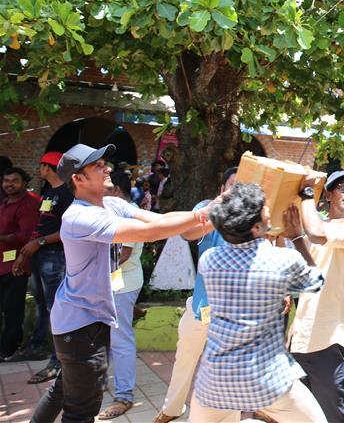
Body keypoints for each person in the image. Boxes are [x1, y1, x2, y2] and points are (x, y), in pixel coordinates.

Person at [31, 144, 217, 422]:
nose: (107, 168)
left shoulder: (112, 204)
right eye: (97, 166)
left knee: (64, 389)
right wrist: (208, 211)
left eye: (104, 163)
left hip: (84, 321)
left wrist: (213, 218)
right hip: (80, 325)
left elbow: (164, 221)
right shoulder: (80, 217)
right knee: (81, 410)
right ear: (78, 180)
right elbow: (150, 232)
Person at [189, 183, 326, 423]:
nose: (269, 210)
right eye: (264, 209)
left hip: (215, 377)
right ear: (255, 226)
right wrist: (296, 236)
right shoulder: (281, 260)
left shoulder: (209, 260)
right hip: (267, 378)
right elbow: (316, 282)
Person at [153, 167, 237, 423]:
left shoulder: (253, 216)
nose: (237, 192)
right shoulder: (207, 208)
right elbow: (187, 233)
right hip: (201, 305)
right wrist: (220, 208)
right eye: (232, 185)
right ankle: (172, 408)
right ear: (222, 189)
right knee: (184, 360)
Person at [287, 170, 344, 423]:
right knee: (305, 413)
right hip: (303, 336)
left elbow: (316, 233)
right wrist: (294, 237)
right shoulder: (323, 227)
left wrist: (304, 194)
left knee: (335, 416)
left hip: (328, 337)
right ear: (329, 194)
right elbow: (312, 273)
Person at [7, 153, 72, 384]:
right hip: (38, 255)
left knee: (56, 308)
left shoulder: (65, 193)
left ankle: (58, 361)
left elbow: (67, 229)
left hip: (54, 257)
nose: (39, 170)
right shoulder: (48, 192)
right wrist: (27, 251)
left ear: (48, 167)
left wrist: (40, 242)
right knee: (42, 305)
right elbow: (40, 226)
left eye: (41, 166)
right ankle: (38, 347)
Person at [97, 171, 145, 420]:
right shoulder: (114, 210)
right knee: (107, 336)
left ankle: (124, 395)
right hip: (113, 283)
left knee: (120, 338)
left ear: (116, 191)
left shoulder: (128, 212)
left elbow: (122, 254)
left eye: (105, 188)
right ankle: (101, 381)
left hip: (122, 284)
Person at [0, 167, 40, 359]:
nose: (9, 184)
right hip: (2, 263)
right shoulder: (5, 203)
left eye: (14, 181)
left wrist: (2, 237)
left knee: (12, 309)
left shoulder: (29, 203)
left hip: (17, 264)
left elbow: (26, 235)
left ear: (24, 183)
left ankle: (9, 349)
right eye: (6, 180)